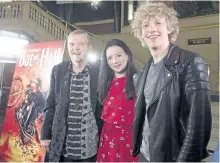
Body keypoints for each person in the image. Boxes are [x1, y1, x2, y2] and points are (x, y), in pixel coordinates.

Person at [130, 2, 212, 162]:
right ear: (141, 33)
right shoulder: (142, 74)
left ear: (169, 28)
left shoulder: (190, 62)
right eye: (145, 25)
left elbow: (199, 126)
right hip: (145, 155)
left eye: (158, 23)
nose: (151, 29)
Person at [40, 30, 102, 162]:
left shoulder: (99, 72)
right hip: (62, 145)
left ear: (88, 47)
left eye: (81, 44)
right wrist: (45, 133)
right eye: (72, 44)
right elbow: (50, 104)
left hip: (89, 148)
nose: (76, 48)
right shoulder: (58, 71)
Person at [96, 39, 138, 162]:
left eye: (118, 55)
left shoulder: (139, 81)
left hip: (129, 141)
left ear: (127, 55)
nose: (114, 61)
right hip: (107, 140)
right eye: (109, 58)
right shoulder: (106, 83)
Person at [15, 78, 45, 144]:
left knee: (28, 122)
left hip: (33, 111)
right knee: (22, 119)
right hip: (26, 109)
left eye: (34, 84)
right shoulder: (29, 91)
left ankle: (27, 136)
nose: (32, 85)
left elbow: (42, 104)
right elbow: (26, 100)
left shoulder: (39, 95)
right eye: (32, 83)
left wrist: (38, 110)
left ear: (37, 85)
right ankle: (24, 133)